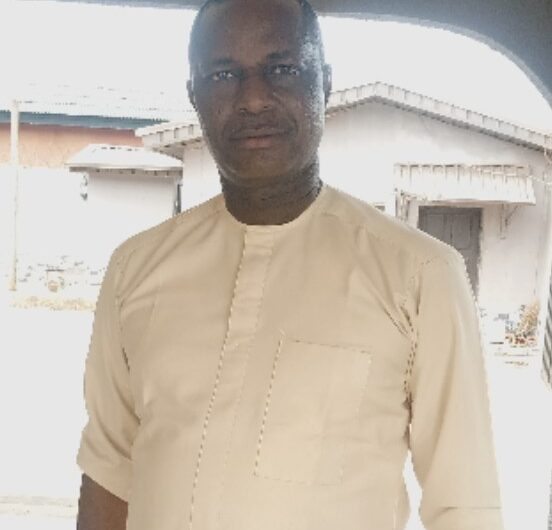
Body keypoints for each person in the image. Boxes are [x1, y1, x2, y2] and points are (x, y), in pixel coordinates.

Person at [76, 1, 504, 529]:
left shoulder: (420, 275)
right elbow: (109, 469)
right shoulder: (136, 270)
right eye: (223, 74)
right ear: (195, 96)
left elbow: (464, 506)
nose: (253, 97)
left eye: (281, 68)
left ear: (324, 83)